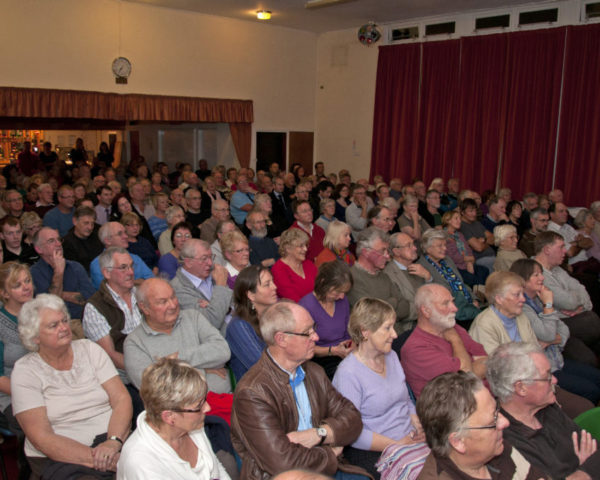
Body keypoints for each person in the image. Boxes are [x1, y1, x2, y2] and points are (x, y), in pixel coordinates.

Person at [231, 302, 368, 480]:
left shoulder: (314, 372)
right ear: (281, 339)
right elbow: (283, 464)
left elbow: (354, 419)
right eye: (307, 332)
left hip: (325, 467)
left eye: (314, 329)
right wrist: (329, 454)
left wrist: (319, 434)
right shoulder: (252, 392)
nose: (316, 337)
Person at [11, 294, 132, 479]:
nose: (64, 328)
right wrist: (107, 459)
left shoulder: (89, 349)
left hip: (113, 439)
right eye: (54, 325)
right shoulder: (25, 371)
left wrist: (113, 442)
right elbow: (42, 438)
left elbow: (121, 399)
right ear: (34, 337)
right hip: (62, 455)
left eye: (64, 320)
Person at [332, 298, 427, 479]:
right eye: (387, 328)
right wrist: (396, 444)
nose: (395, 334)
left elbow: (405, 400)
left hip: (408, 438)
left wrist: (417, 423)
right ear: (365, 332)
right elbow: (352, 432)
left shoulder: (390, 356)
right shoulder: (348, 374)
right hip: (376, 449)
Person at [487, 342, 600, 479]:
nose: (554, 380)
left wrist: (582, 472)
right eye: (547, 376)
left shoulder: (547, 408)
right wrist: (585, 469)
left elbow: (595, 449)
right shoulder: (505, 441)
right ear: (521, 388)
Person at [117, 357, 231, 480]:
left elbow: (215, 468)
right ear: (169, 417)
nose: (207, 408)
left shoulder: (189, 424)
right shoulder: (142, 465)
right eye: (199, 405)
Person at [417, 371, 544, 480]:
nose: (505, 422)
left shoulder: (495, 447)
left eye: (497, 410)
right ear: (458, 441)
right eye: (492, 421)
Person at [510, 258, 600, 406]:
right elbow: (549, 334)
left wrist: (554, 339)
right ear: (523, 280)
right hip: (547, 369)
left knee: (597, 377)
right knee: (592, 390)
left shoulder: (538, 299)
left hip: (558, 359)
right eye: (536, 275)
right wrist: (549, 304)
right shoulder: (523, 308)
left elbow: (563, 329)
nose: (542, 278)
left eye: (541, 273)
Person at [124, 278, 232, 394]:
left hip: (227, 400)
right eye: (163, 301)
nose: (173, 305)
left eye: (173, 297)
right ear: (145, 308)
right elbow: (153, 388)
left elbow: (222, 351)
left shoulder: (193, 317)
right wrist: (202, 367)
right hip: (182, 409)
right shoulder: (134, 343)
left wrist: (176, 359)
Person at [401, 284, 487, 398]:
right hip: (456, 410)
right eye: (446, 303)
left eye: (452, 302)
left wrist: (469, 370)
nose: (455, 308)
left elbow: (487, 361)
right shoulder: (415, 348)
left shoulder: (452, 327)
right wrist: (456, 340)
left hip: (484, 399)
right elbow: (465, 378)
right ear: (426, 311)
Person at [534, 230, 600, 366]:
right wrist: (577, 303)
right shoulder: (536, 272)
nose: (565, 251)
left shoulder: (557, 269)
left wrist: (580, 307)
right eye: (561, 247)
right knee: (591, 321)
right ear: (547, 250)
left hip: (573, 322)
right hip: (556, 327)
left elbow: (582, 290)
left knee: (591, 321)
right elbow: (568, 302)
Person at [299, 261, 354, 379]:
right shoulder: (305, 307)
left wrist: (351, 344)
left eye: (344, 292)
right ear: (323, 283)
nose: (341, 296)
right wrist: (333, 350)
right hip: (322, 359)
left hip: (345, 353)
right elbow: (304, 347)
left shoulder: (342, 301)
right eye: (337, 292)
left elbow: (348, 332)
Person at [348, 227, 411, 330]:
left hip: (397, 334)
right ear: (365, 252)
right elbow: (372, 316)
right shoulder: (352, 277)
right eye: (382, 251)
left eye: (387, 250)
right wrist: (394, 301)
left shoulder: (384, 276)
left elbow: (405, 308)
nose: (387, 256)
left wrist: (383, 305)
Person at [418, 228, 481, 327]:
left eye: (444, 245)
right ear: (428, 248)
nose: (445, 248)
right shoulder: (422, 267)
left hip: (467, 306)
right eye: (440, 246)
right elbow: (433, 293)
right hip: (451, 312)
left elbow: (461, 283)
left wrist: (474, 299)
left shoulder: (447, 260)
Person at [226, 265, 278, 381]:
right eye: (267, 284)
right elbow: (262, 367)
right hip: (258, 389)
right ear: (251, 295)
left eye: (273, 282)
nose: (275, 287)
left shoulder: (275, 315)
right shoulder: (238, 326)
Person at [31, 227, 95, 320]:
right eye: (51, 241)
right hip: (55, 323)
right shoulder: (35, 272)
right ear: (39, 249)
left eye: (59, 239)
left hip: (84, 320)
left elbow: (91, 299)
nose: (58, 244)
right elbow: (48, 306)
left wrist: (59, 294)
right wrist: (58, 272)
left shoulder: (75, 267)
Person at [171, 239, 233, 335]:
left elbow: (234, 305)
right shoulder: (178, 288)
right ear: (188, 262)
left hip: (235, 327)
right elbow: (212, 322)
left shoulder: (212, 274)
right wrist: (221, 286)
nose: (210, 263)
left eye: (211, 257)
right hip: (219, 340)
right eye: (204, 258)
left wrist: (213, 306)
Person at [89, 222, 155, 290]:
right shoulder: (98, 264)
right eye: (120, 234)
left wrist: (127, 282)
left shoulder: (135, 258)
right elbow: (110, 290)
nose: (126, 236)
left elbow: (152, 281)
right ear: (108, 240)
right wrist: (139, 281)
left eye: (125, 232)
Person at [443, 210, 488, 288]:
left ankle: (479, 292)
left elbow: (468, 250)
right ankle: (476, 294)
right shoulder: (444, 236)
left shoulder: (460, 235)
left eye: (460, 219)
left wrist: (470, 262)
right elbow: (450, 257)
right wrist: (467, 260)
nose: (459, 221)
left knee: (484, 270)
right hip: (456, 267)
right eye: (456, 218)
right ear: (448, 220)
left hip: (467, 263)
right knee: (471, 278)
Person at [271, 228, 318, 302]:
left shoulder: (308, 264)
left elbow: (322, 287)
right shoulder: (278, 270)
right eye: (301, 246)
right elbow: (292, 299)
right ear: (288, 248)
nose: (305, 249)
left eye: (306, 245)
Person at [62, 205, 104, 273]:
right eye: (86, 223)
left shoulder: (96, 237)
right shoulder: (67, 243)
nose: (90, 227)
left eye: (92, 224)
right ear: (75, 221)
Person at [459, 198, 496, 274]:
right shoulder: (462, 226)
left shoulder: (477, 223)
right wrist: (486, 242)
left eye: (475, 210)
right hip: (480, 259)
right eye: (471, 211)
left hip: (492, 256)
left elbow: (493, 239)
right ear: (462, 212)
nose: (474, 214)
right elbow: (478, 248)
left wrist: (484, 241)